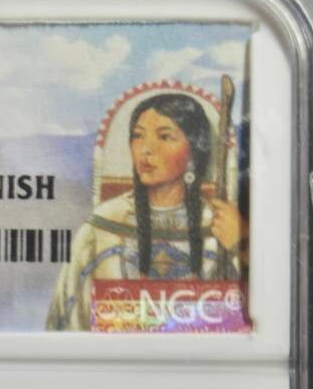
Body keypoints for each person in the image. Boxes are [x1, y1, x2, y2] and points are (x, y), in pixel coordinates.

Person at [47, 91, 248, 330]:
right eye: (138, 136)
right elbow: (68, 323)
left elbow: (255, 319)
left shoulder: (221, 226)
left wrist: (241, 244)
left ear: (194, 152)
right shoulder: (101, 229)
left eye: (165, 136)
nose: (146, 149)